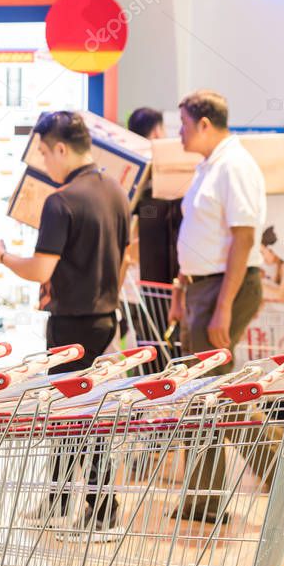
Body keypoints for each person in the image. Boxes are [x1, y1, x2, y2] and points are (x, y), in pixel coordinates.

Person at [0, 111, 130, 535]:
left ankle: (82, 504)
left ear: (61, 148)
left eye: (45, 152)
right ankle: (82, 503)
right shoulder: (116, 192)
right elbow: (125, 257)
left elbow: (41, 270)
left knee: (68, 414)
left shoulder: (60, 201)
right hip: (106, 321)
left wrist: (2, 256)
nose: (44, 162)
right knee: (96, 415)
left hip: (70, 327)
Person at [167, 89, 268, 522]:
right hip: (203, 288)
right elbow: (201, 234)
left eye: (184, 124)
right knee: (207, 394)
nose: (179, 133)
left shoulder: (235, 165)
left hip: (227, 288)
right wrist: (181, 289)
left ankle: (279, 463)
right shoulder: (209, 166)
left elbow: (243, 237)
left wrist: (223, 306)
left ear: (205, 123)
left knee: (213, 393)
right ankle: (205, 494)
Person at [120, 107, 177, 373]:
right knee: (153, 350)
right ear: (156, 132)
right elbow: (133, 240)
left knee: (147, 349)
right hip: (143, 284)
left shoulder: (132, 177)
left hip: (136, 285)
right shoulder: (155, 181)